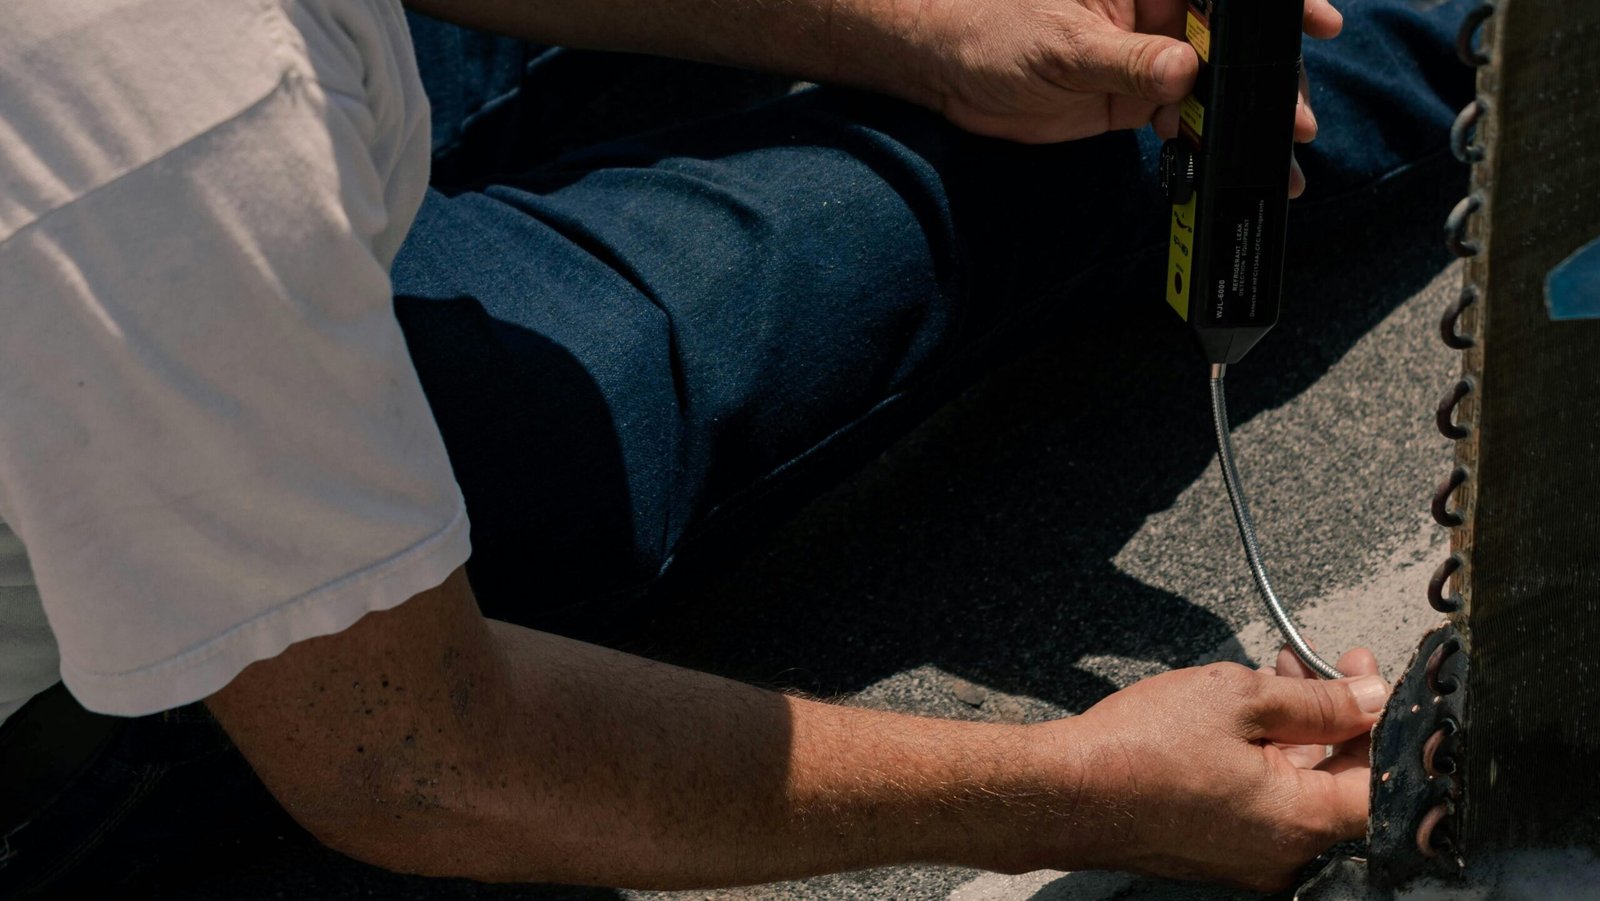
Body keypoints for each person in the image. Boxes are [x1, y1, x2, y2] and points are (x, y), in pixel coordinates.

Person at [0, 0, 1471, 895]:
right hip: (113, 622)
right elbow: (417, 752)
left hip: (172, 195)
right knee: (990, 188)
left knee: (992, 82)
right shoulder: (154, 132)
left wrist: (924, 27)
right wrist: (1084, 790)